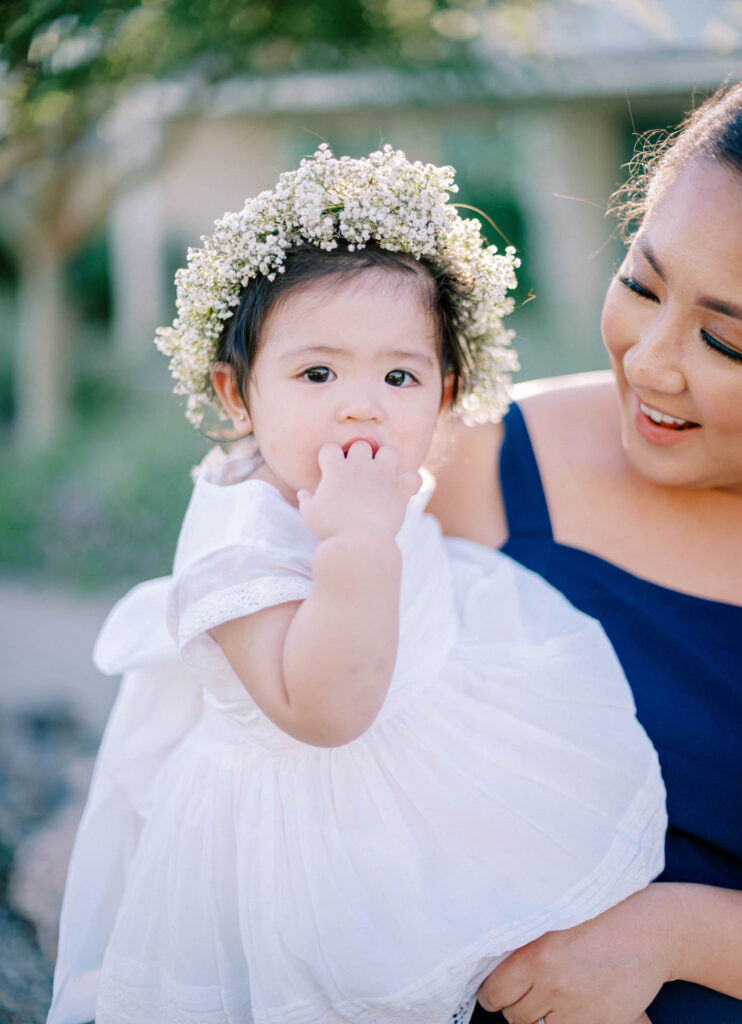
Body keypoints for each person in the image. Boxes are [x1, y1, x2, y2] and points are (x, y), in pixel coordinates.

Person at [47, 146, 666, 1024]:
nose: (361, 405)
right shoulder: (240, 541)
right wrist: (357, 544)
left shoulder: (372, 474)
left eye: (400, 376)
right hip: (307, 832)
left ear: (446, 396)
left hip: (433, 740)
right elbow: (324, 712)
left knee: (529, 928)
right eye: (317, 373)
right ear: (237, 394)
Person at [429, 74, 742, 1024]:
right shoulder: (475, 463)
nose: (652, 360)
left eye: (728, 344)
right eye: (641, 284)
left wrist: (681, 932)